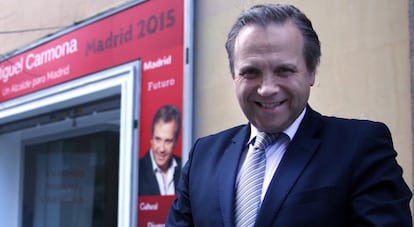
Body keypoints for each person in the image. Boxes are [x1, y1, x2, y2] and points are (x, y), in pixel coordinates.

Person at [167, 3, 412, 226]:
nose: (267, 88)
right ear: (233, 75)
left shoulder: (360, 148)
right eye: (250, 72)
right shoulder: (203, 157)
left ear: (311, 71)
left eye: (284, 70)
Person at [139, 105, 182, 196]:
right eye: (158, 139)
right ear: (151, 139)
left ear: (175, 142)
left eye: (168, 141)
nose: (162, 149)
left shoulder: (185, 168)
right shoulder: (137, 171)